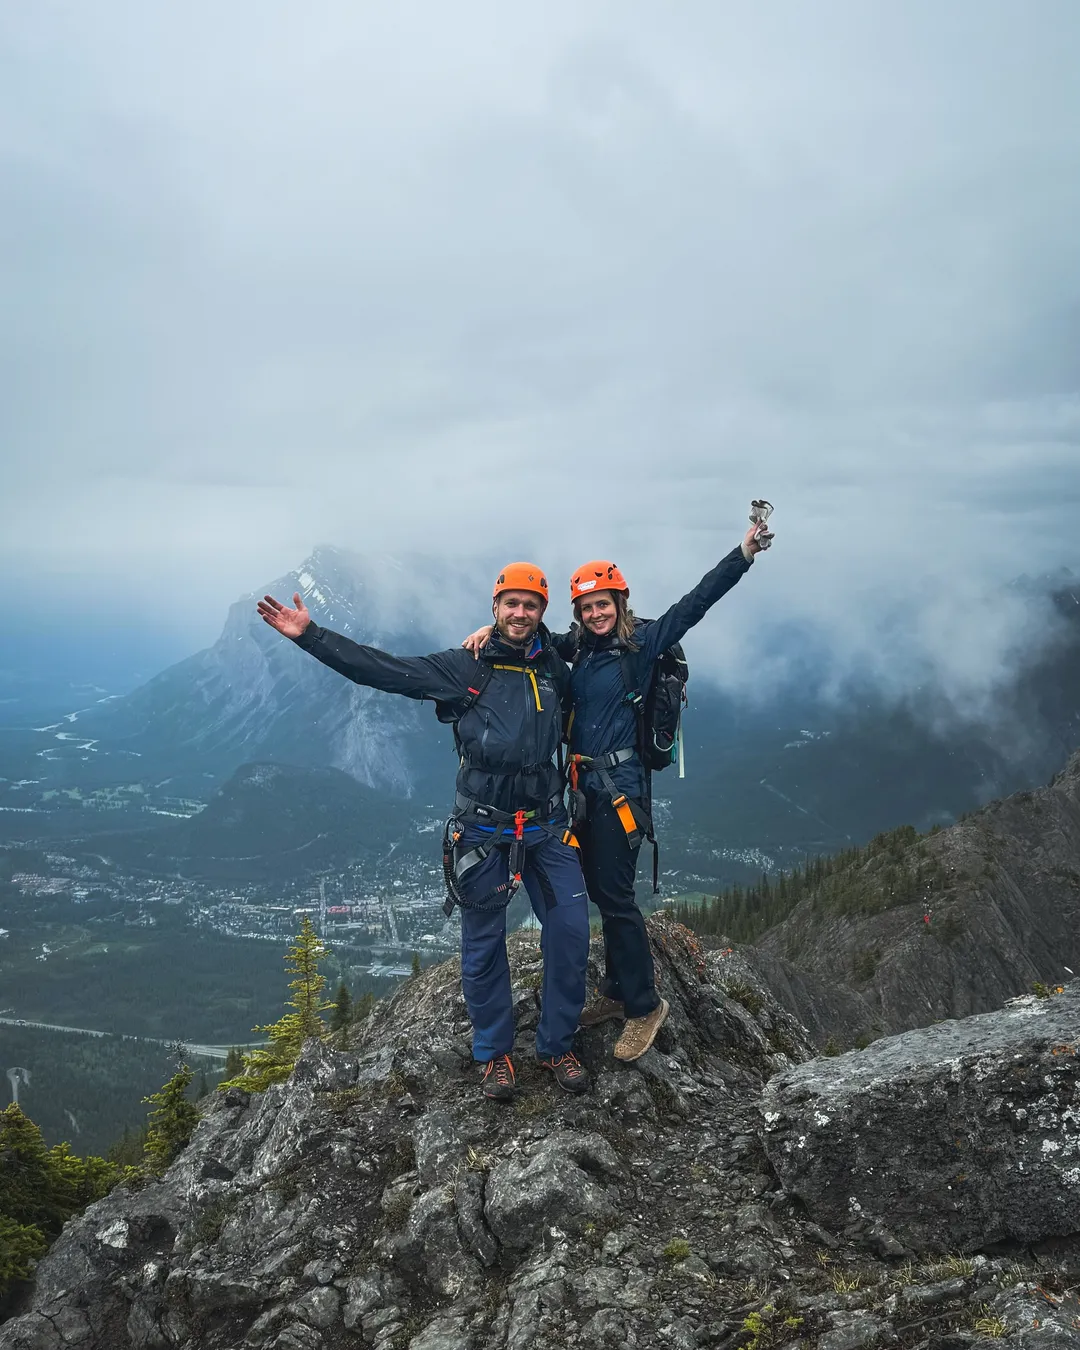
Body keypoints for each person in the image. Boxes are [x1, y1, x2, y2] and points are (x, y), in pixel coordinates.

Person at [257, 563, 591, 1102]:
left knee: (572, 933)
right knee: (483, 946)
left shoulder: (556, 662)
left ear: (542, 613)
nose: (520, 613)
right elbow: (383, 670)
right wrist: (311, 637)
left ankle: (557, 1045)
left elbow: (610, 635)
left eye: (531, 605)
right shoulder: (465, 667)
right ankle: (494, 1053)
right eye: (512, 604)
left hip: (548, 827)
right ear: (495, 607)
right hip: (484, 829)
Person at [463, 522, 770, 1062]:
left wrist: (742, 554)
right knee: (592, 893)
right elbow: (523, 638)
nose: (594, 615)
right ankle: (614, 991)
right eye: (586, 608)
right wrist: (484, 635)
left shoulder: (642, 646)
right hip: (580, 790)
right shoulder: (575, 649)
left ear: (620, 603)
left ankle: (645, 1004)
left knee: (617, 899)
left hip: (619, 791)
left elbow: (696, 602)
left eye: (602, 605)